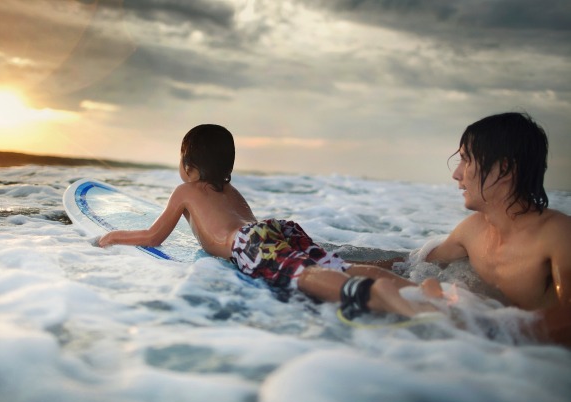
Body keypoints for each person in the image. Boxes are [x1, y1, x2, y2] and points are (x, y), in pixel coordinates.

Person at [98, 124, 438, 319]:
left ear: (187, 166)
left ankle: (370, 294)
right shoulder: (230, 191)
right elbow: (257, 228)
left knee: (304, 276)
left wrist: (113, 237)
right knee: (336, 263)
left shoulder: (185, 190)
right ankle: (417, 289)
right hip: (276, 229)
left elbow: (153, 236)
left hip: (248, 241)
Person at [420, 112, 570, 344]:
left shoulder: (558, 235)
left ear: (505, 169)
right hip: (495, 355)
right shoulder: (472, 230)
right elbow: (411, 266)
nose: (456, 174)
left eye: (466, 160)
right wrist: (347, 262)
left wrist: (482, 330)